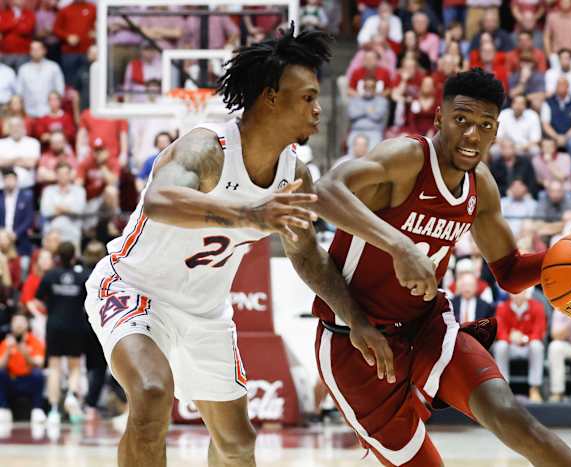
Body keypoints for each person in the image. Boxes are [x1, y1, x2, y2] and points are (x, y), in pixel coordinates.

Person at [83, 26, 393, 467]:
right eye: (306, 97)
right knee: (152, 395)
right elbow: (157, 201)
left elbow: (306, 256)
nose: (318, 109)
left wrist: (356, 319)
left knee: (238, 443)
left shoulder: (293, 175)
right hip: (133, 288)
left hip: (204, 312)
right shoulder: (207, 148)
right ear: (270, 97)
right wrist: (250, 215)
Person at [312, 69, 571, 466]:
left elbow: (507, 272)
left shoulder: (482, 186)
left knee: (513, 417)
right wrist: (399, 246)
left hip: (427, 326)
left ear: (496, 132)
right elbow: (324, 192)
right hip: (356, 345)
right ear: (439, 118)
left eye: (485, 125)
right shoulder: (406, 158)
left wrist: (565, 256)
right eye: (462, 120)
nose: (472, 134)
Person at [36, 241, 91, 424]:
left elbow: (38, 301)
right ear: (74, 256)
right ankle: (71, 396)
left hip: (54, 326)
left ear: (57, 257)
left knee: (54, 367)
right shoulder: (83, 276)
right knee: (75, 366)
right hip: (76, 325)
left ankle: (53, 411)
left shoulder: (50, 275)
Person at [0, 313, 45, 424]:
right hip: (12, 380)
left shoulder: (34, 341)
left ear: (27, 324)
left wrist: (26, 355)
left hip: (29, 380)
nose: (19, 325)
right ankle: (3, 409)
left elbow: (40, 363)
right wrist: (7, 353)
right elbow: (0, 365)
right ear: (11, 325)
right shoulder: (6, 342)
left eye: (21, 322)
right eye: (16, 322)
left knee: (38, 374)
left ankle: (37, 409)